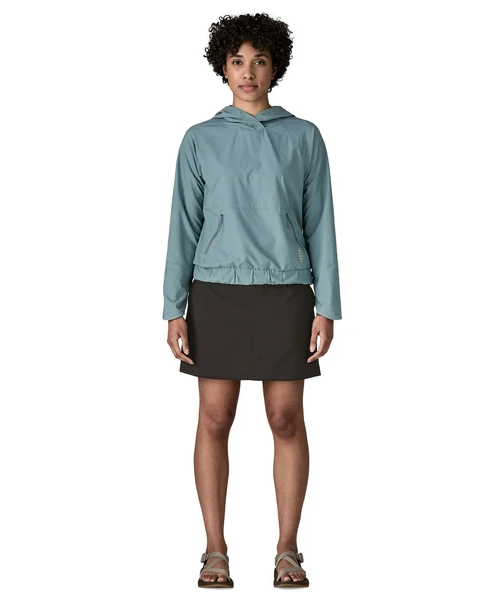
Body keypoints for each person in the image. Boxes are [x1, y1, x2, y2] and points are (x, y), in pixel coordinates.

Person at [162, 12, 342, 588]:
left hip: (285, 292)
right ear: (222, 67)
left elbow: (320, 222)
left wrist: (327, 304)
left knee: (285, 418)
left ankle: (288, 548)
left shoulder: (303, 137)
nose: (248, 72)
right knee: (215, 417)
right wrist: (173, 307)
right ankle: (214, 549)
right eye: (237, 61)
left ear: (274, 68)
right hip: (214, 291)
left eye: (259, 61)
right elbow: (183, 226)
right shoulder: (200, 139)